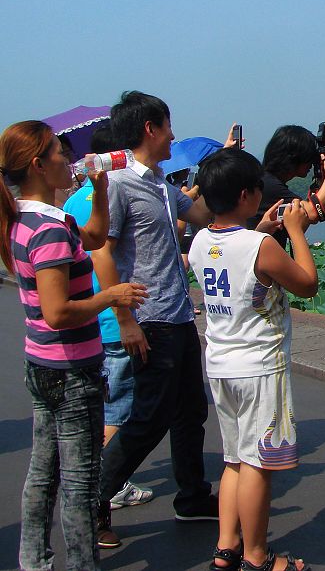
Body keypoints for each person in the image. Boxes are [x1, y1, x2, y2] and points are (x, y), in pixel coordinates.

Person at [0, 120, 147, 570]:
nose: (69, 159)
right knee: (80, 485)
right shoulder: (47, 230)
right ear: (40, 165)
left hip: (42, 364)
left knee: (42, 475)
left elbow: (98, 237)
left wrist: (101, 187)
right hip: (70, 371)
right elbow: (58, 311)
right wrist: (111, 297)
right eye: (60, 153)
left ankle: (35, 561)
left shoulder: (34, 218)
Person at [91, 91, 219, 548]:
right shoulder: (120, 184)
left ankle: (192, 496)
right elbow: (101, 249)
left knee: (190, 412)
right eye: (168, 126)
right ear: (151, 129)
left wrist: (221, 174)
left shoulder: (163, 186)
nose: (173, 135)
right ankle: (91, 502)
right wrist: (124, 318)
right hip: (149, 319)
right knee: (147, 418)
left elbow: (203, 214)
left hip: (179, 315)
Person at [189, 148, 314, 571]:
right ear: (246, 194)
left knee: (233, 458)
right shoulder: (261, 246)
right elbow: (308, 284)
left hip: (221, 363)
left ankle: (227, 547)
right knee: (259, 463)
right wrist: (294, 231)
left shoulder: (201, 240)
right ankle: (259, 557)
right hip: (260, 365)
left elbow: (236, 257)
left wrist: (260, 228)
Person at [62, 122, 154, 510]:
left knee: (106, 402)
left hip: (91, 319)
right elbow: (103, 254)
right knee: (121, 405)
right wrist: (124, 317)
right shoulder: (111, 193)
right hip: (111, 316)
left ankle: (97, 482)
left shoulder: (72, 203)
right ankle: (104, 487)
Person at [248, 125, 325, 247]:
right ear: (295, 157)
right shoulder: (269, 186)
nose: (312, 162)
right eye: (309, 156)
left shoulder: (264, 180)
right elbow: (313, 213)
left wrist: (321, 180)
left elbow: (301, 225)